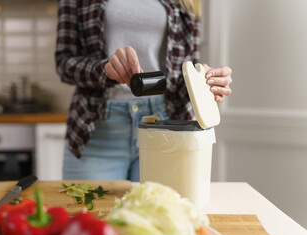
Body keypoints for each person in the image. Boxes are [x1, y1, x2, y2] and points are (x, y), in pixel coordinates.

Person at [55, 0, 232, 181]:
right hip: (96, 130)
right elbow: (63, 62)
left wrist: (203, 82)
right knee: (88, 208)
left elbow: (184, 70)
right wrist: (104, 70)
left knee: (160, 208)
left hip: (166, 129)